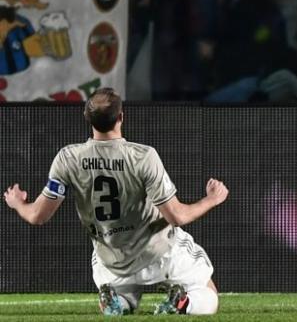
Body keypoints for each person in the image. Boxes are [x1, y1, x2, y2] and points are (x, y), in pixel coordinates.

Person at [3, 88, 229, 316]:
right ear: (121, 116)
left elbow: (37, 216)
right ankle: (183, 303)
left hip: (112, 261)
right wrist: (212, 199)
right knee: (208, 294)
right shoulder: (143, 156)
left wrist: (17, 203)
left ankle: (118, 301)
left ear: (86, 117)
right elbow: (177, 216)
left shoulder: (67, 159)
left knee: (120, 293)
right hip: (159, 253)